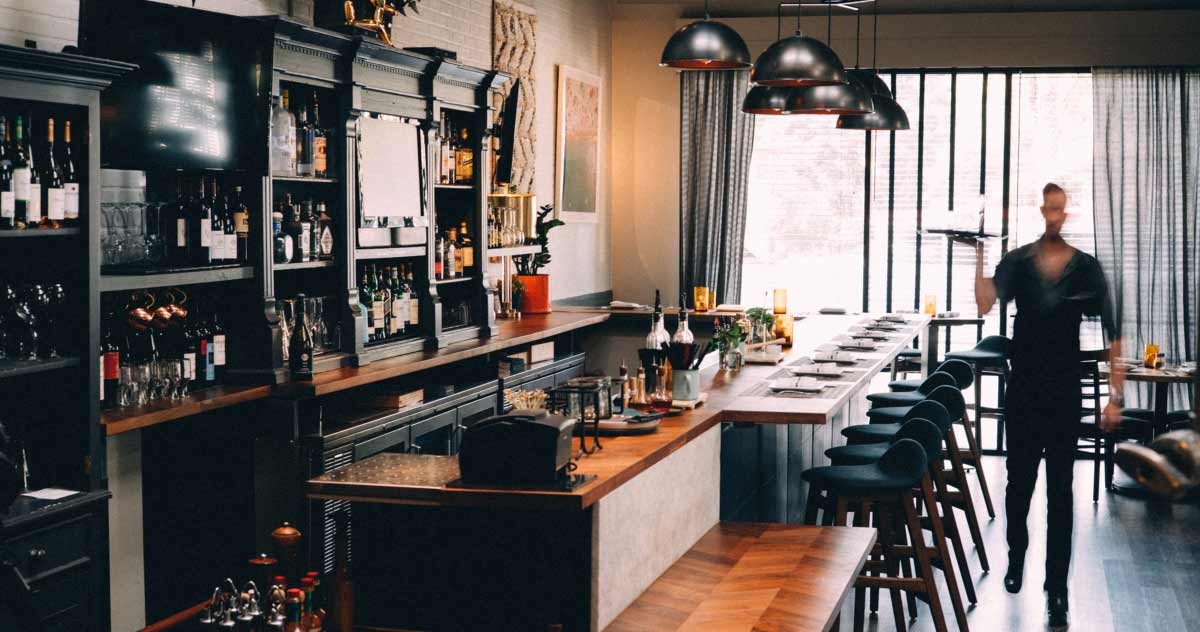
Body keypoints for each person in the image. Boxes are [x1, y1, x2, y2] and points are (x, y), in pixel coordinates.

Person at [966, 182, 1126, 629]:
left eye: (1061, 208)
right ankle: (1016, 556)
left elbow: (1114, 333)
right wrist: (981, 251)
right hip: (1023, 393)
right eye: (1049, 207)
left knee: (1061, 495)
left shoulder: (1086, 268)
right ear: (1042, 210)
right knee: (1018, 489)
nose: (1055, 214)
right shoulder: (1017, 261)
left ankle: (1057, 591)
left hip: (1063, 395)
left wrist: (1115, 397)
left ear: (1065, 212)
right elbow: (983, 303)